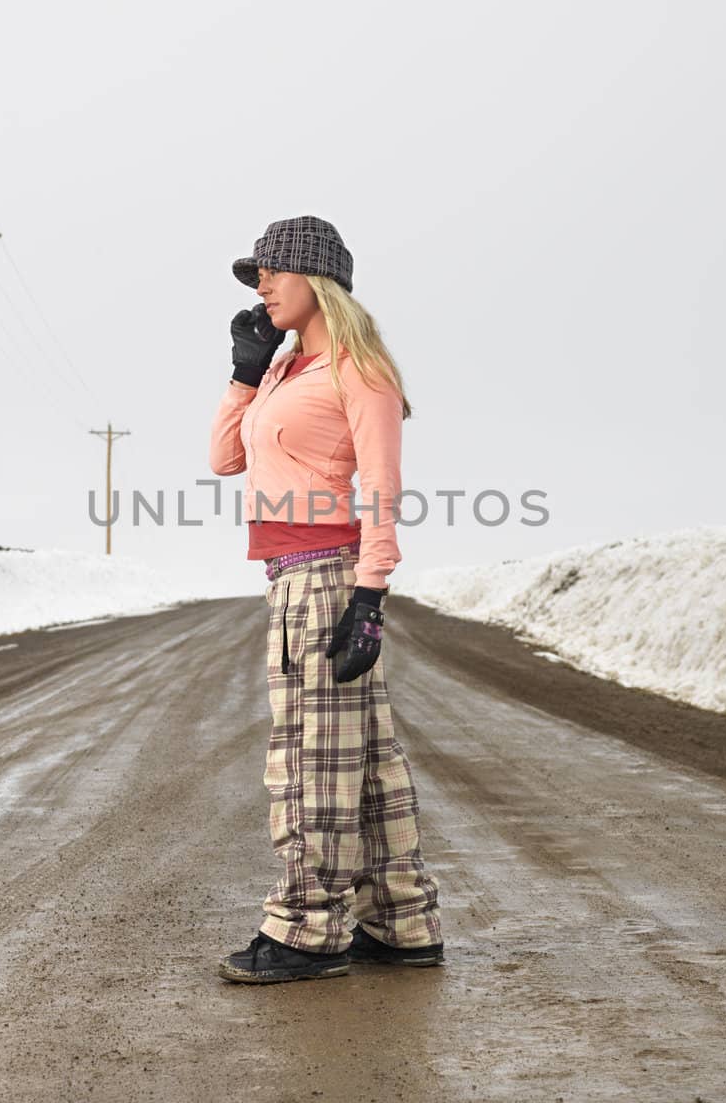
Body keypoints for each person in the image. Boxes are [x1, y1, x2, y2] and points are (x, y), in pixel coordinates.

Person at [206, 215, 443, 985]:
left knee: (311, 762)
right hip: (292, 579)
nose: (262, 287)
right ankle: (400, 923)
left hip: (331, 575)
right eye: (256, 277)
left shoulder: (359, 370)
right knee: (364, 760)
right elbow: (224, 458)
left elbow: (380, 486)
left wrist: (369, 596)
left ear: (317, 279)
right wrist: (246, 372)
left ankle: (308, 930)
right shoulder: (286, 372)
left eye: (272, 273)